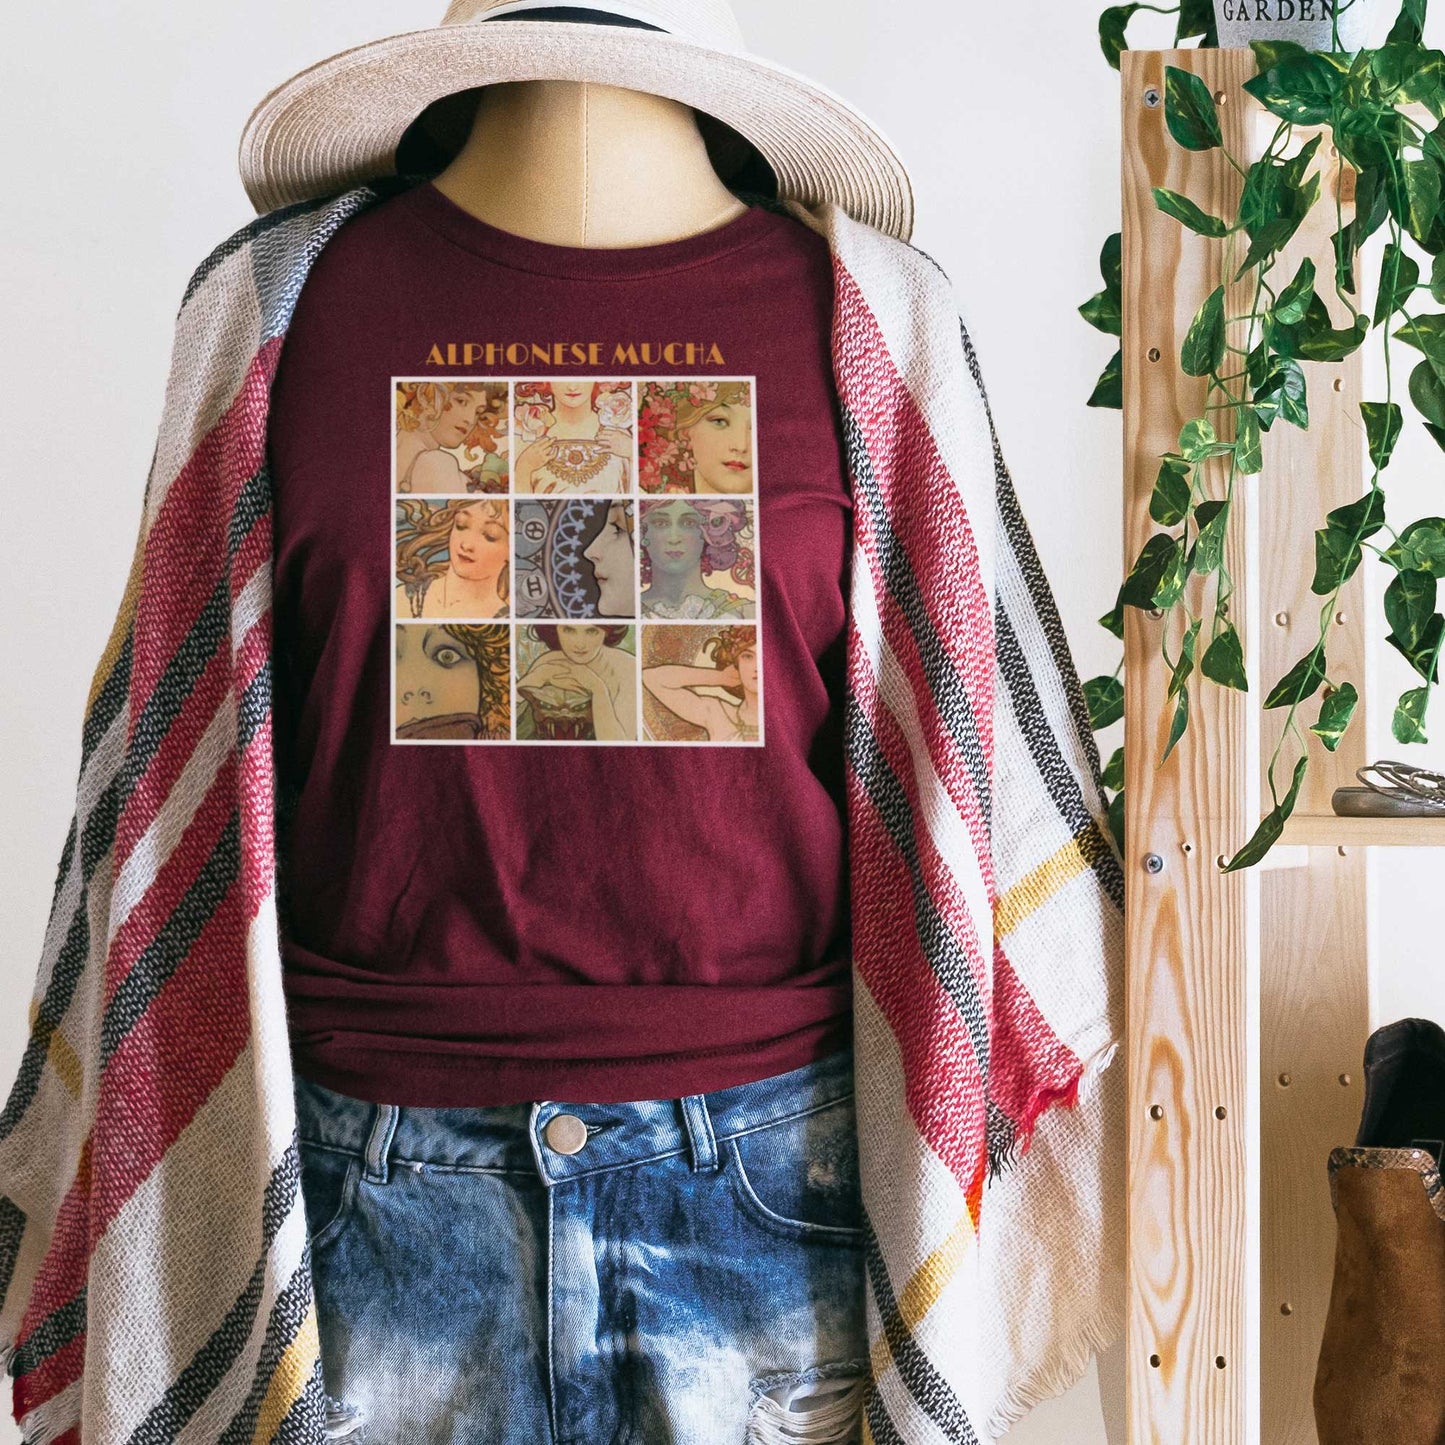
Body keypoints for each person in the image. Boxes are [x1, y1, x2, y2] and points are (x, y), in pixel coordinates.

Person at [0, 3, 1125, 1442]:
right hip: (365, 1215)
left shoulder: (875, 322)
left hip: (769, 1207)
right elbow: (172, 762)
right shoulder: (274, 309)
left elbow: (955, 752)